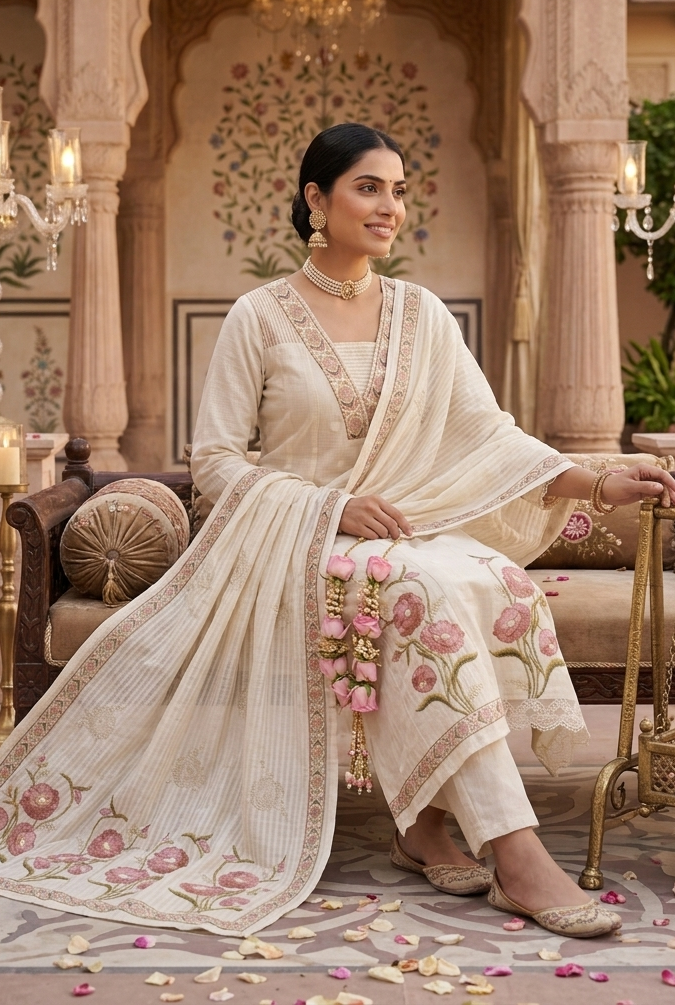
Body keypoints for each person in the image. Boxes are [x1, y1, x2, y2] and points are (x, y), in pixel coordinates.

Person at [0, 124, 672, 942]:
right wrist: (328, 509)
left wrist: (599, 481)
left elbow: (490, 436)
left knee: (488, 578)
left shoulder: (421, 315)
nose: (389, 205)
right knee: (420, 588)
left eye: (396, 188)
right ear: (316, 200)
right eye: (368, 187)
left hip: (404, 536)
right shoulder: (259, 317)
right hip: (294, 543)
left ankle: (420, 821)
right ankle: (515, 850)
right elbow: (214, 461)